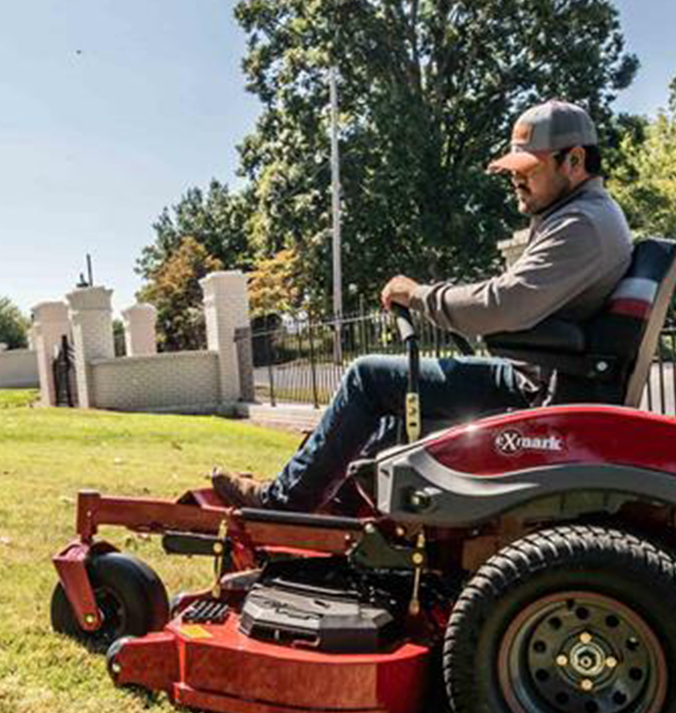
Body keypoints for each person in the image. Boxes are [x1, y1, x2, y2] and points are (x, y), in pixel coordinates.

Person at [211, 99, 633, 512]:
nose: (515, 181)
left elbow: (502, 304)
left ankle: (283, 503)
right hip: (543, 379)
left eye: (528, 169)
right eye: (512, 171)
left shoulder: (582, 225)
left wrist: (419, 295)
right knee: (390, 413)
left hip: (539, 395)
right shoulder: (584, 216)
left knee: (367, 377)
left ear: (574, 161)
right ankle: (334, 515)